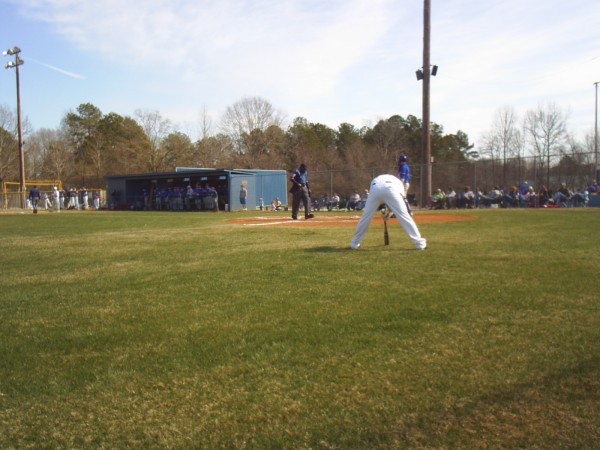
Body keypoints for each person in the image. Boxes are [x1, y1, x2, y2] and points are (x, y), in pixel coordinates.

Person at [350, 174, 426, 250]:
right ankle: (419, 243)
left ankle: (354, 243)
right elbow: (399, 202)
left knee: (365, 217)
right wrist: (390, 212)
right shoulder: (399, 184)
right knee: (404, 216)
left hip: (375, 188)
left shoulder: (378, 178)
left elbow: (380, 196)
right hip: (390, 188)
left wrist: (386, 211)